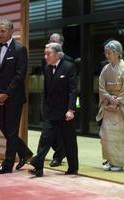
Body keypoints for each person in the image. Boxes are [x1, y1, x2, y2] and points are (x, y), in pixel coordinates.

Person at [0, 19, 33, 174]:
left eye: (3, 31)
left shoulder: (20, 49)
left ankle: (7, 165)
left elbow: (20, 75)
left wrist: (6, 94)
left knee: (12, 130)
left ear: (11, 31)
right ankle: (25, 152)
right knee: (4, 127)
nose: (0, 34)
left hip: (13, 97)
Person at [28, 43, 79, 177]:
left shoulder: (69, 67)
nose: (45, 57)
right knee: (44, 139)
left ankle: (73, 168)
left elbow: (73, 91)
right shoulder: (46, 68)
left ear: (57, 54)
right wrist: (44, 108)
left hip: (65, 113)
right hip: (50, 112)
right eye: (45, 54)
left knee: (69, 141)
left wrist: (71, 110)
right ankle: (38, 167)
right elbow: (46, 91)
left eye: (48, 54)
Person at [98, 39, 124, 162]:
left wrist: (117, 102)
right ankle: (109, 160)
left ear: (117, 53)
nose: (107, 55)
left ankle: (119, 162)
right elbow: (101, 85)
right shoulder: (105, 68)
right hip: (108, 104)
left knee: (119, 136)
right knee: (106, 135)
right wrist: (109, 98)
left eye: (109, 53)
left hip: (120, 107)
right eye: (106, 53)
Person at [46, 33, 74, 167]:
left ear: (60, 44)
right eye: (49, 40)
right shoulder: (46, 59)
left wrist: (71, 108)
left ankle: (59, 155)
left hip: (63, 104)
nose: (50, 43)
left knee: (63, 134)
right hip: (50, 103)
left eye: (53, 41)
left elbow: (72, 88)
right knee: (49, 133)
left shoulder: (68, 61)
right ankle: (57, 152)